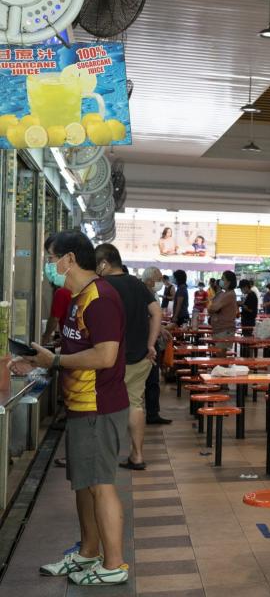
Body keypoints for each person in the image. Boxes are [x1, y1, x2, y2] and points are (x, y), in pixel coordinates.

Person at [10, 231, 130, 585]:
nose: (49, 265)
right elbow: (78, 346)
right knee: (83, 483)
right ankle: (88, 552)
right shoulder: (76, 298)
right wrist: (39, 361)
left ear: (70, 259)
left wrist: (56, 359)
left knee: (100, 484)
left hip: (99, 406)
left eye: (51, 257)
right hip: (79, 404)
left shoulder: (101, 298)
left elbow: (106, 355)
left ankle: (115, 566)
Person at [95, 244, 162, 471]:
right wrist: (150, 344)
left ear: (103, 264)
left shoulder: (101, 286)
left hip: (109, 358)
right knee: (135, 404)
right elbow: (156, 312)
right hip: (140, 357)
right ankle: (137, 455)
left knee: (98, 404)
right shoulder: (137, 284)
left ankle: (98, 454)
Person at [140, 267, 171, 425]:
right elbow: (148, 318)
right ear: (150, 280)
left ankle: (152, 413)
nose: (160, 282)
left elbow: (154, 318)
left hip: (150, 342)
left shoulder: (152, 294)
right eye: (159, 279)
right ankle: (144, 414)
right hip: (144, 344)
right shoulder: (141, 294)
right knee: (146, 380)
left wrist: (162, 329)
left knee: (153, 380)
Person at [207, 271, 238, 339]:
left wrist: (210, 307)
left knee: (220, 349)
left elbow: (213, 308)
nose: (221, 281)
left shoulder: (229, 294)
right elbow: (211, 308)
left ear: (229, 282)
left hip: (224, 330)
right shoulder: (224, 294)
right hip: (220, 330)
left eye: (223, 279)